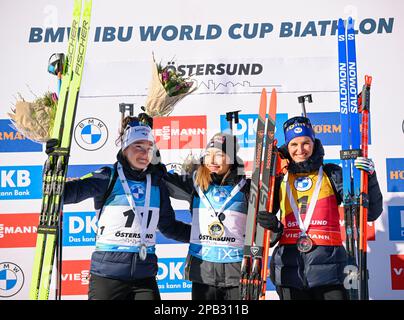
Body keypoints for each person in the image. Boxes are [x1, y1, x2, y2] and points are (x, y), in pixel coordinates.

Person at [46, 114, 191, 300]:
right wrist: (52, 162)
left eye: (149, 148)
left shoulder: (156, 183)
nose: (144, 153)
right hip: (107, 275)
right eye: (138, 146)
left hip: (144, 276)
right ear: (124, 149)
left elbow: (169, 227)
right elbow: (62, 194)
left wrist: (203, 236)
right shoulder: (108, 177)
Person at [256, 116, 383, 300]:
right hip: (289, 273)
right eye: (294, 144)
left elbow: (369, 213)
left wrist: (369, 178)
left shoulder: (332, 173)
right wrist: (275, 227)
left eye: (306, 143)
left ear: (314, 142)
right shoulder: (279, 178)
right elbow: (263, 236)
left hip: (332, 274)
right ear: (287, 147)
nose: (300, 150)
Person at [163, 132, 253, 300]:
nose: (212, 161)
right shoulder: (195, 184)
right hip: (203, 273)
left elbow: (263, 232)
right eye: (208, 155)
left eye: (219, 155)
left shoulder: (247, 189)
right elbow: (162, 179)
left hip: (237, 272)